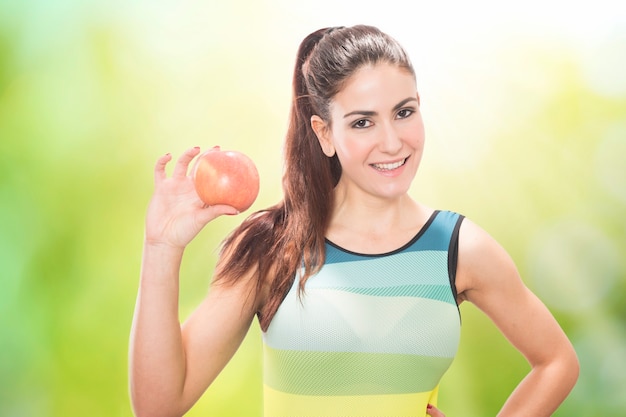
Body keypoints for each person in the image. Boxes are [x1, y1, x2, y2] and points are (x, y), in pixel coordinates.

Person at [129, 25, 579, 417]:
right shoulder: (275, 247)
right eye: (363, 123)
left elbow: (557, 361)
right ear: (325, 133)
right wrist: (161, 248)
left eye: (404, 113)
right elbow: (159, 405)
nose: (391, 142)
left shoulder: (460, 249)